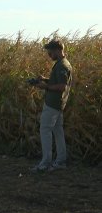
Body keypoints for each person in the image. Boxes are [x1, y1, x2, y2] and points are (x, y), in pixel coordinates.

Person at [31, 39, 73, 172]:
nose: (48, 54)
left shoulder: (62, 66)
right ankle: (60, 161)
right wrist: (44, 79)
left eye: (50, 51)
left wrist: (45, 86)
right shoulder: (62, 64)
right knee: (58, 132)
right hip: (58, 104)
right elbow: (58, 81)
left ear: (57, 50)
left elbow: (61, 86)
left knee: (45, 130)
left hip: (53, 104)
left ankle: (45, 163)